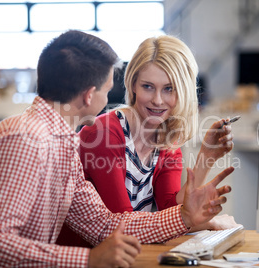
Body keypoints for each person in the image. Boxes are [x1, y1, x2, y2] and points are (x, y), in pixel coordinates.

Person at [0, 30, 235, 268]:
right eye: (107, 90)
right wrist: (87, 260)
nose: (109, 100)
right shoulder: (25, 140)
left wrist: (185, 215)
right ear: (90, 95)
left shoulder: (63, 144)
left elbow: (102, 225)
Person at [56, 35, 238, 247]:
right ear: (133, 85)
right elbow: (123, 225)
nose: (158, 100)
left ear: (183, 92)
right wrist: (208, 222)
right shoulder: (105, 134)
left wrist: (206, 156)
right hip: (85, 257)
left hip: (126, 255)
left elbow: (169, 209)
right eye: (148, 87)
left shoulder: (167, 141)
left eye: (169, 88)